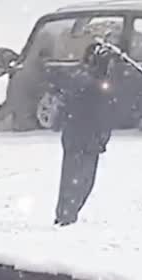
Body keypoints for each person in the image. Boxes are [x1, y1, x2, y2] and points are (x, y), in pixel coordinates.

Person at [52, 43, 114, 226]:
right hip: (86, 138)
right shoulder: (94, 85)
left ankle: (66, 212)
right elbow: (102, 114)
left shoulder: (80, 79)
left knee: (73, 177)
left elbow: (67, 106)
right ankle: (68, 214)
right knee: (82, 179)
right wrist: (101, 136)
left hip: (76, 136)